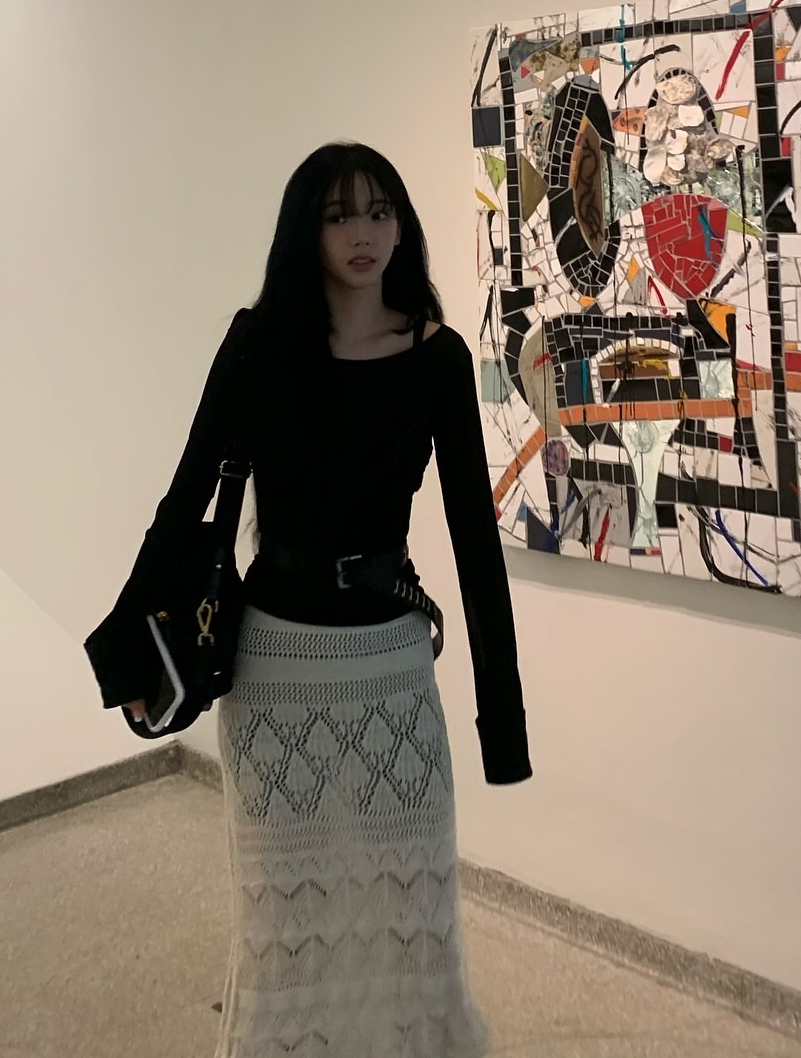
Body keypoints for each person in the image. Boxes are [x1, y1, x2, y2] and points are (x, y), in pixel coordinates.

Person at [87, 142, 531, 1058]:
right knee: (285, 923)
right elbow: (185, 500)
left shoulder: (438, 357)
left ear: (402, 227)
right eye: (339, 215)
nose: (363, 232)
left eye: (379, 211)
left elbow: (474, 541)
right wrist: (131, 655)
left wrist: (504, 725)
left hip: (393, 671)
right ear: (307, 231)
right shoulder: (259, 346)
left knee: (413, 908)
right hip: (276, 669)